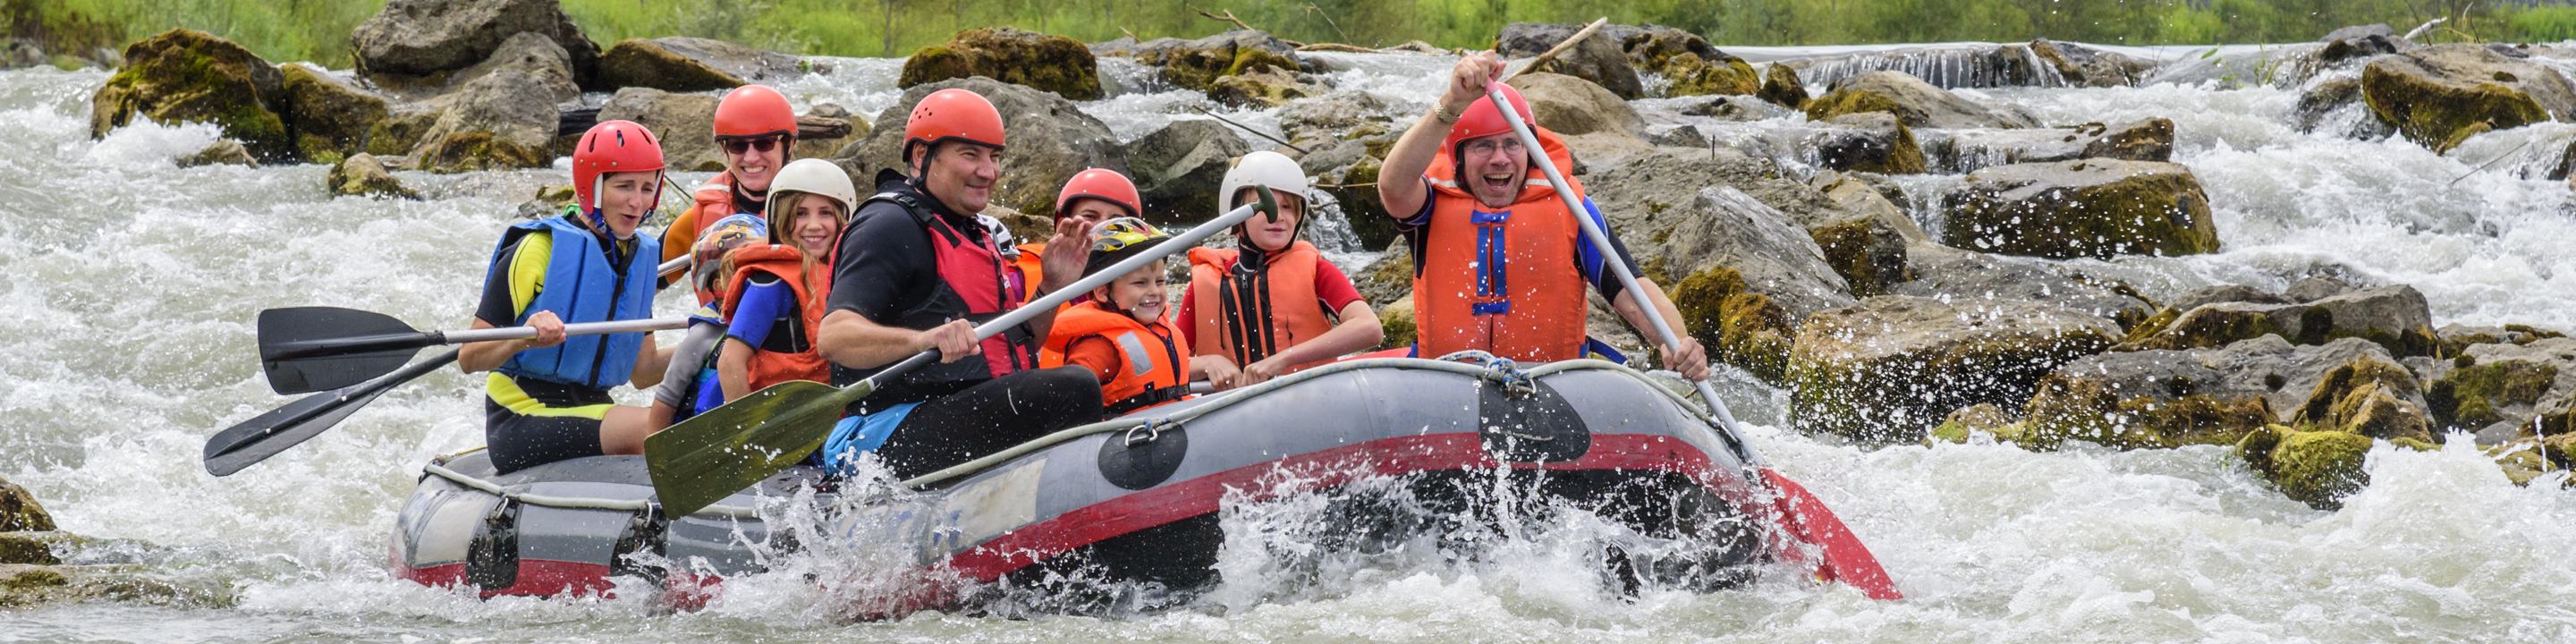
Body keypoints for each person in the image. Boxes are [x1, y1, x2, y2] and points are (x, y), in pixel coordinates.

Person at [811, 88, 1103, 479]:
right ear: (921, 156)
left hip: (949, 415)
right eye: (970, 155)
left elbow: (1016, 346)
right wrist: (922, 340)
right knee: (1070, 388)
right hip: (878, 434)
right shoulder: (888, 226)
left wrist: (1052, 289)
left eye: (994, 157)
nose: (988, 171)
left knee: (1069, 388)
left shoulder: (972, 231)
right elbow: (834, 337)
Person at [1376, 53, 1710, 381]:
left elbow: (1633, 291)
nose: (1500, 158)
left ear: (1530, 151)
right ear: (1458, 157)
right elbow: (1392, 186)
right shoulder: (1430, 206)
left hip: (1548, 387)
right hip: (1447, 385)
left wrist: (1678, 343)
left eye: (1512, 144)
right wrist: (1452, 102)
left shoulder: (1572, 209)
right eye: (1483, 146)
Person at [460, 120, 677, 474]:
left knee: (683, 417)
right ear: (591, 187)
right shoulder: (538, 248)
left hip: (591, 407)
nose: (637, 202)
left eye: (647, 188)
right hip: (522, 414)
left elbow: (644, 371)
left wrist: (711, 341)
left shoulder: (636, 259)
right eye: (624, 186)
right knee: (658, 429)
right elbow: (469, 357)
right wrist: (521, 338)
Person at [1182, 151, 1383, 390]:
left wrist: (1284, 359)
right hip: (1233, 407)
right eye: (1264, 206)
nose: (1277, 216)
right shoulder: (1204, 284)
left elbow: (1369, 328)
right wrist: (1207, 363)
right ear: (1234, 217)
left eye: (1287, 207)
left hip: (1310, 400)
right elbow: (1168, 360)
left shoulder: (1318, 271)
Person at [712, 158, 852, 403]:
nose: (814, 225)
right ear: (781, 218)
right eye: (800, 214)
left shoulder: (847, 273)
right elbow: (730, 362)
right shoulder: (771, 283)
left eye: (826, 213)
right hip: (776, 411)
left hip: (831, 409)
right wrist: (748, 424)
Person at [1040, 218, 1193, 417]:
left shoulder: (1162, 328)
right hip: (1132, 433)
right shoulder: (1099, 345)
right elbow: (1071, 398)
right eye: (1140, 283)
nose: (1154, 291)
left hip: (1176, 424)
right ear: (1103, 292)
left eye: (1160, 281)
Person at [660, 84, 800, 275]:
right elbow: (641, 279)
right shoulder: (701, 215)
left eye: (764, 143)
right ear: (724, 150)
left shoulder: (816, 212)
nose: (751, 158)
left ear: (788, 145)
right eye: (737, 145)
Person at [646, 213, 767, 429]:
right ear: (720, 286)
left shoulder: (778, 320)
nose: (762, 279)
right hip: (704, 426)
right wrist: (654, 443)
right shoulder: (704, 334)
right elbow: (667, 397)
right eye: (747, 271)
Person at [1010, 167, 1140, 301]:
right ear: (1062, 225)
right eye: (1090, 216)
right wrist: (1050, 287)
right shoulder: (1017, 279)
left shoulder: (1146, 285)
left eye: (1116, 220)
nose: (1103, 226)